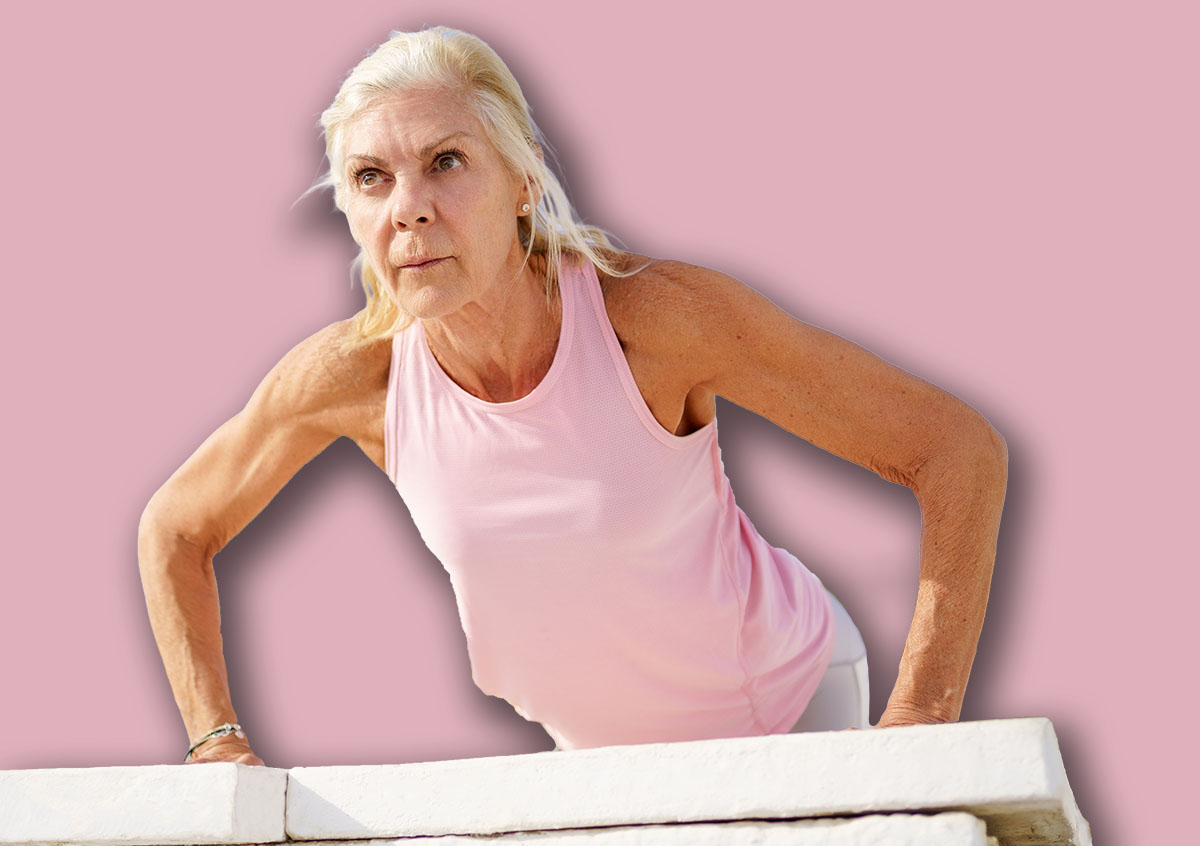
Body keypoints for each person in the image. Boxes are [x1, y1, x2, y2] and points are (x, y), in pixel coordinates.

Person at [138, 27, 1007, 766]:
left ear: (521, 184)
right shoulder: (354, 378)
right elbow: (175, 527)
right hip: (603, 763)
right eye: (371, 178)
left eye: (446, 162)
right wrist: (216, 744)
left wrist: (918, 731)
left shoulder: (656, 325)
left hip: (789, 704)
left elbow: (957, 449)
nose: (409, 209)